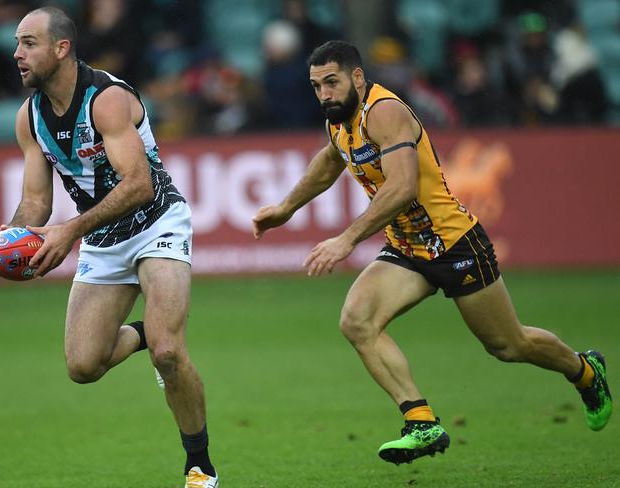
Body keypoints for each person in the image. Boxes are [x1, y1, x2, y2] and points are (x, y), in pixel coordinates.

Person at [252, 40, 612, 465]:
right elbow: (331, 160)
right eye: (316, 86)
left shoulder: (384, 112)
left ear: (357, 77)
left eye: (331, 82)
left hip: (454, 242)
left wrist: (347, 239)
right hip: (408, 249)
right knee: (357, 321)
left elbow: (402, 189)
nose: (324, 94)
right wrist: (285, 208)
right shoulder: (339, 119)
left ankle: (585, 371)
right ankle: (421, 422)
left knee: (508, 345)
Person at [0, 7, 218, 487]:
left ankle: (200, 467)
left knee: (169, 354)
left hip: (157, 222)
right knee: (83, 366)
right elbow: (34, 202)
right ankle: (149, 330)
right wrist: (8, 238)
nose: (16, 53)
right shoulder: (29, 118)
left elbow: (139, 185)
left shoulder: (106, 99)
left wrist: (69, 231)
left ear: (61, 48)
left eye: (29, 43)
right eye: (17, 44)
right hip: (104, 239)